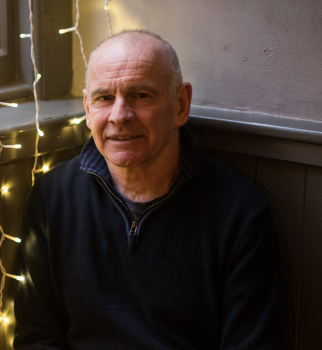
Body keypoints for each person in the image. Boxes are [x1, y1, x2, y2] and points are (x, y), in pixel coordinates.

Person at [14, 30, 282, 349]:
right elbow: (37, 338)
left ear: (181, 105)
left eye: (141, 95)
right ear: (87, 108)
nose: (119, 116)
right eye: (104, 98)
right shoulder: (51, 197)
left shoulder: (239, 215)